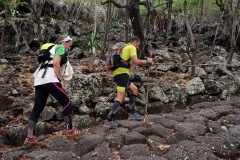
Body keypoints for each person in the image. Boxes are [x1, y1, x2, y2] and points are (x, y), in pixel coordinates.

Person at [24, 35, 84, 146]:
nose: (71, 45)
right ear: (65, 42)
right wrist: (60, 80)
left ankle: (30, 137)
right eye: (70, 43)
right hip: (50, 78)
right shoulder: (60, 47)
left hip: (39, 80)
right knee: (66, 102)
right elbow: (56, 63)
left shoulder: (50, 51)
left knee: (37, 108)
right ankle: (70, 131)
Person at [103, 36, 153, 129]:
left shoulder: (123, 47)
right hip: (122, 74)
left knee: (134, 89)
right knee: (120, 97)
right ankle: (108, 120)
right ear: (134, 41)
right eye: (138, 44)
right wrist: (147, 61)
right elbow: (136, 61)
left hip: (118, 74)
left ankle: (132, 113)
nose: (138, 46)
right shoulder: (131, 47)